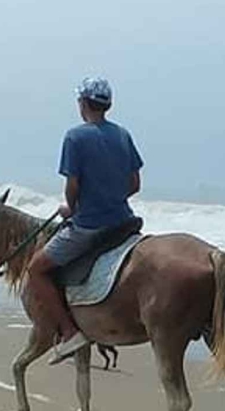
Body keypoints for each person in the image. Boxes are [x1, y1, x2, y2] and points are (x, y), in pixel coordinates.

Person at [26, 76, 144, 364]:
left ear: (82, 104)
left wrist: (72, 208)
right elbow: (135, 184)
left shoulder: (75, 137)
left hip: (90, 225)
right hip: (124, 222)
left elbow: (73, 186)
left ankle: (68, 333)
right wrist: (112, 198)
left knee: (36, 269)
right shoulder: (123, 135)